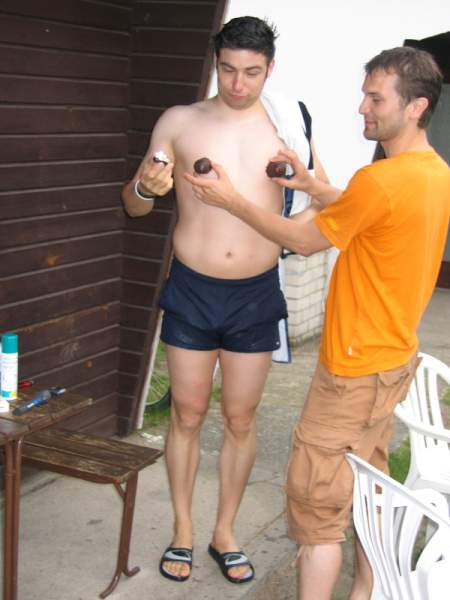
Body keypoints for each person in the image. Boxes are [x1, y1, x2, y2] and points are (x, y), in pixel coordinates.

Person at [184, 46, 450, 599]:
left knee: (317, 512)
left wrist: (232, 200)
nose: (362, 109)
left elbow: (305, 241)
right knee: (370, 489)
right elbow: (368, 210)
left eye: (375, 99)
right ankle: (366, 592)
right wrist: (311, 186)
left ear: (416, 106)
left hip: (352, 372)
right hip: (391, 362)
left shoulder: (382, 179)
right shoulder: (433, 173)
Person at [122, 16, 328, 584]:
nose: (238, 84)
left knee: (240, 417)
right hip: (193, 287)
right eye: (229, 69)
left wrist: (290, 216)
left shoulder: (289, 123)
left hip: (255, 293)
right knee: (187, 413)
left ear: (270, 69)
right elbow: (135, 205)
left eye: (252, 72)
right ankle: (183, 531)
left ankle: (225, 533)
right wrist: (144, 187)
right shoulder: (180, 121)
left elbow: (320, 203)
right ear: (216, 62)